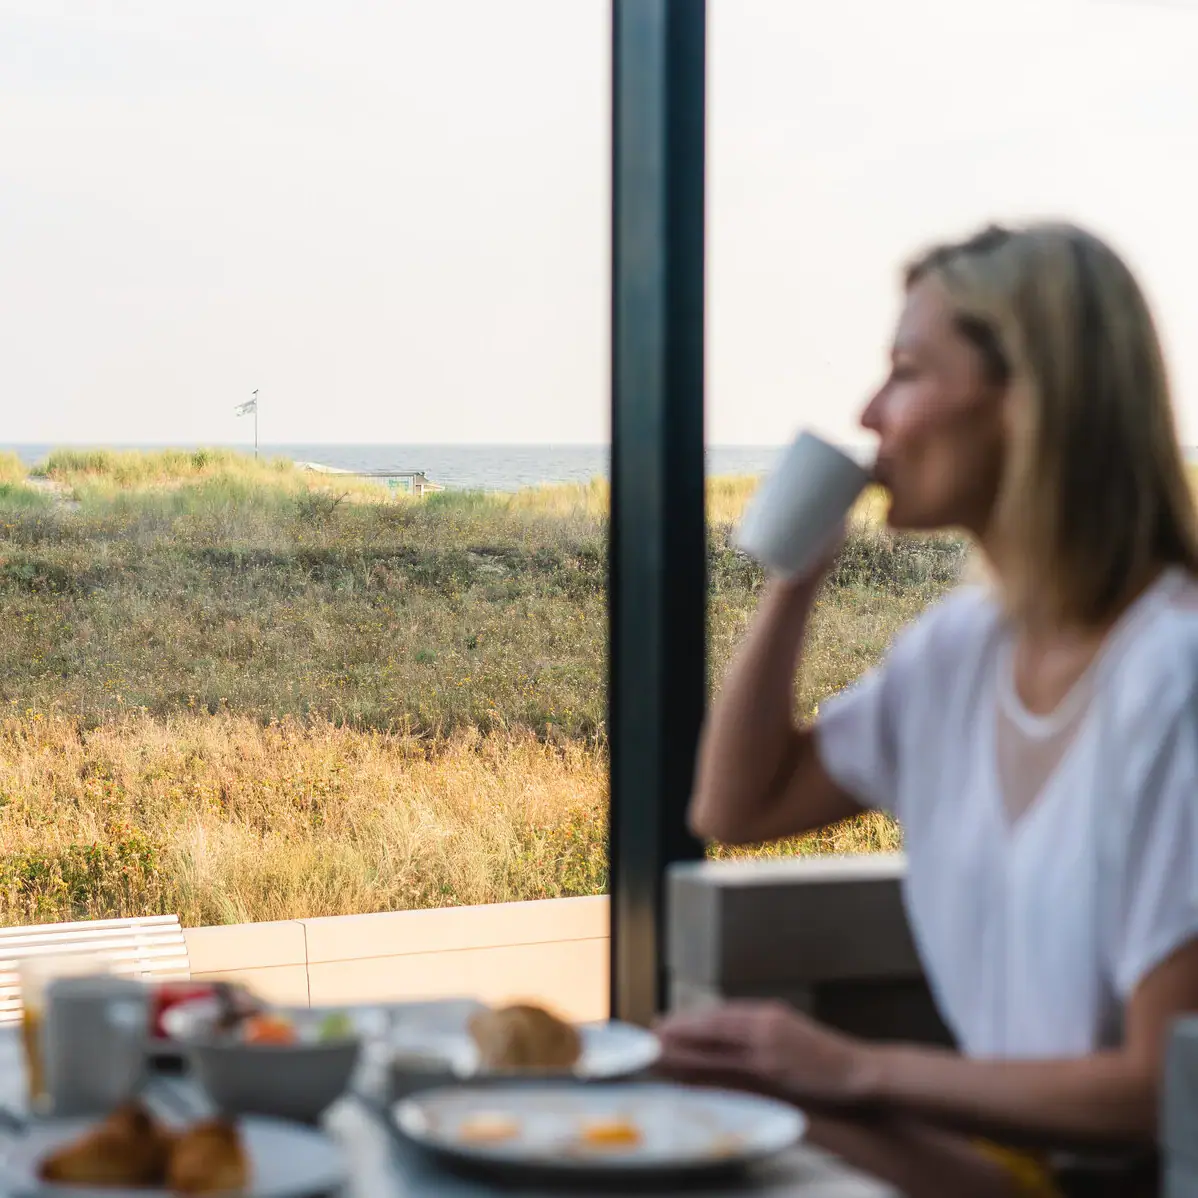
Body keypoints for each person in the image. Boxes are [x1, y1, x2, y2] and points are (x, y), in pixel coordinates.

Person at [655, 222, 1198, 1198]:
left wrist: (849, 1067)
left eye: (905, 371)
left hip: (1125, 1180)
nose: (870, 412)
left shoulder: (1171, 677)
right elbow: (734, 807)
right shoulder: (960, 652)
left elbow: (1162, 1089)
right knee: (676, 1100)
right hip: (1001, 1170)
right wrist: (793, 577)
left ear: (1029, 397)